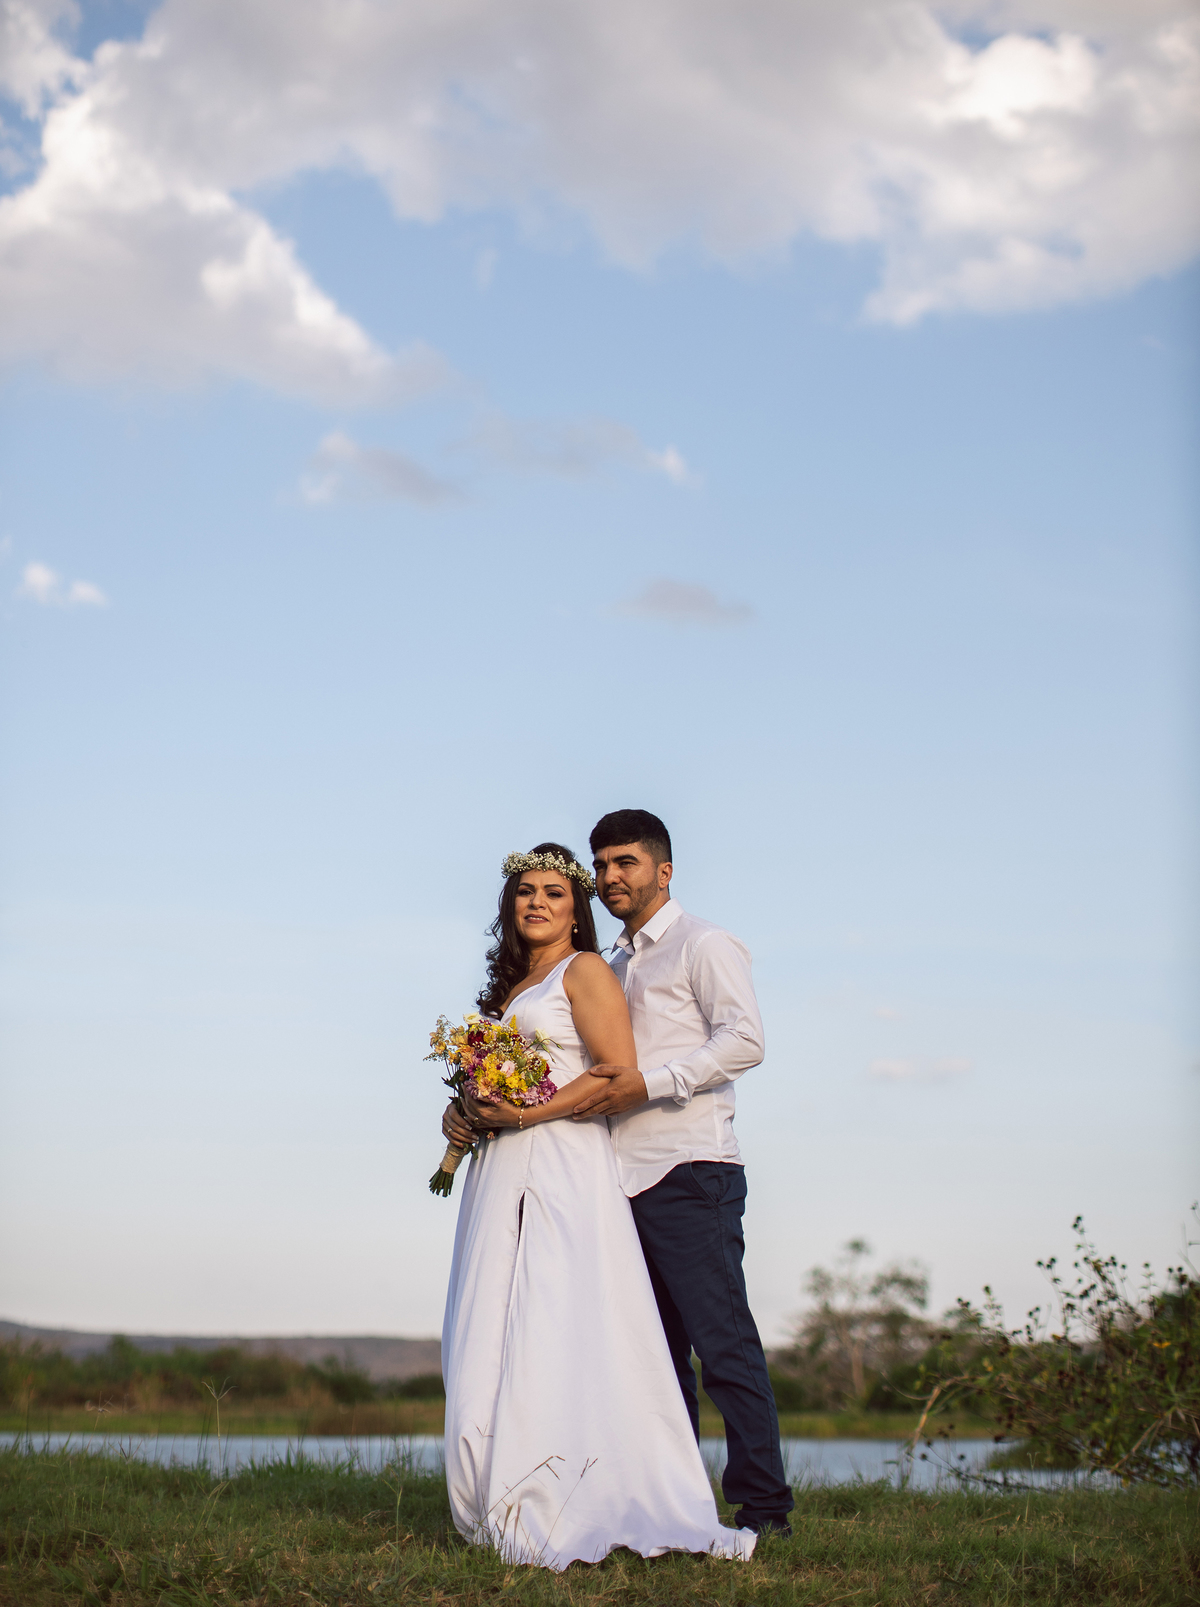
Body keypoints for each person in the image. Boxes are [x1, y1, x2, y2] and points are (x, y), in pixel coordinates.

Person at [439, 842, 756, 1569]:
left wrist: (524, 1116)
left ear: (574, 906)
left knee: (553, 1315)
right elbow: (489, 1082)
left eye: (553, 890)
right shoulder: (515, 985)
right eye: (524, 891)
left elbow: (617, 1071)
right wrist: (464, 1112)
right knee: (490, 1318)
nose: (537, 902)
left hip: (560, 1159)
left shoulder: (585, 971)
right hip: (500, 1170)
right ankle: (493, 1484)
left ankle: (564, 1486)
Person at [571, 808, 794, 1536]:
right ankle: (676, 1507)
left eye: (625, 862)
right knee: (658, 1362)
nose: (609, 877)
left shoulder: (706, 943)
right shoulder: (611, 964)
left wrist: (656, 1081)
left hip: (691, 1170)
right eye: (601, 864)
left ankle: (765, 1511)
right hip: (623, 1180)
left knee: (723, 1347)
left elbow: (746, 1039)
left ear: (664, 869)